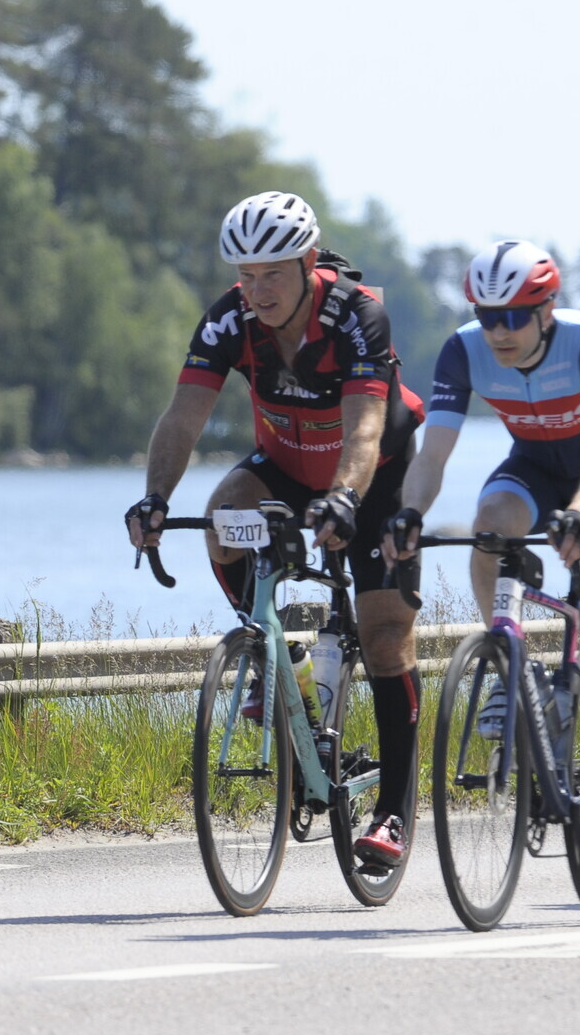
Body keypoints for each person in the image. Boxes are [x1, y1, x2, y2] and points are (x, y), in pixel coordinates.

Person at [126, 191, 426, 868]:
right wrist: (153, 499)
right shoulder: (229, 319)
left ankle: (393, 814)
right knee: (225, 516)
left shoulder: (357, 316)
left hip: (373, 473)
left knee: (384, 633)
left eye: (272, 274)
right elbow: (183, 416)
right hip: (286, 464)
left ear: (308, 263)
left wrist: (344, 500)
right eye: (245, 275)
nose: (257, 290)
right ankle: (273, 655)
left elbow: (365, 430)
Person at [382, 240, 580, 888]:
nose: (498, 331)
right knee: (490, 525)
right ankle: (512, 665)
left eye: (513, 317)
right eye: (487, 315)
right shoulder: (463, 349)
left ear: (546, 309)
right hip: (533, 465)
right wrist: (409, 512)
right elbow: (433, 454)